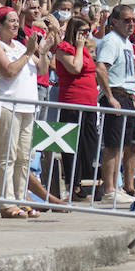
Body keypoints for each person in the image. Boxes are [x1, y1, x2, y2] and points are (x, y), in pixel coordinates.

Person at [0, 5, 51, 218]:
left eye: (15, 20)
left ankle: (21, 198)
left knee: (24, 157)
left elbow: (41, 70)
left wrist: (44, 52)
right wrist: (30, 51)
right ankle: (7, 201)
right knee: (7, 155)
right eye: (10, 21)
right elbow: (9, 71)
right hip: (8, 105)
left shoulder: (21, 46)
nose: (14, 24)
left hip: (28, 106)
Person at [96, 4, 135, 204]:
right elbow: (100, 68)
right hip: (117, 95)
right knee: (113, 145)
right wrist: (110, 96)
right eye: (126, 20)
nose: (131, 24)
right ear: (114, 22)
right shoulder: (111, 40)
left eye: (133, 20)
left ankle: (125, 187)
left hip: (128, 97)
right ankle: (109, 189)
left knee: (130, 145)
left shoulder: (127, 43)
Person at [53, 15, 100, 200]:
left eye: (88, 32)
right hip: (73, 102)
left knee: (89, 143)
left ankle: (87, 184)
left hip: (88, 103)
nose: (86, 36)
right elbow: (75, 68)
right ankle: (75, 185)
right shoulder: (65, 49)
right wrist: (79, 47)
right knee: (72, 145)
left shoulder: (85, 50)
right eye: (82, 32)